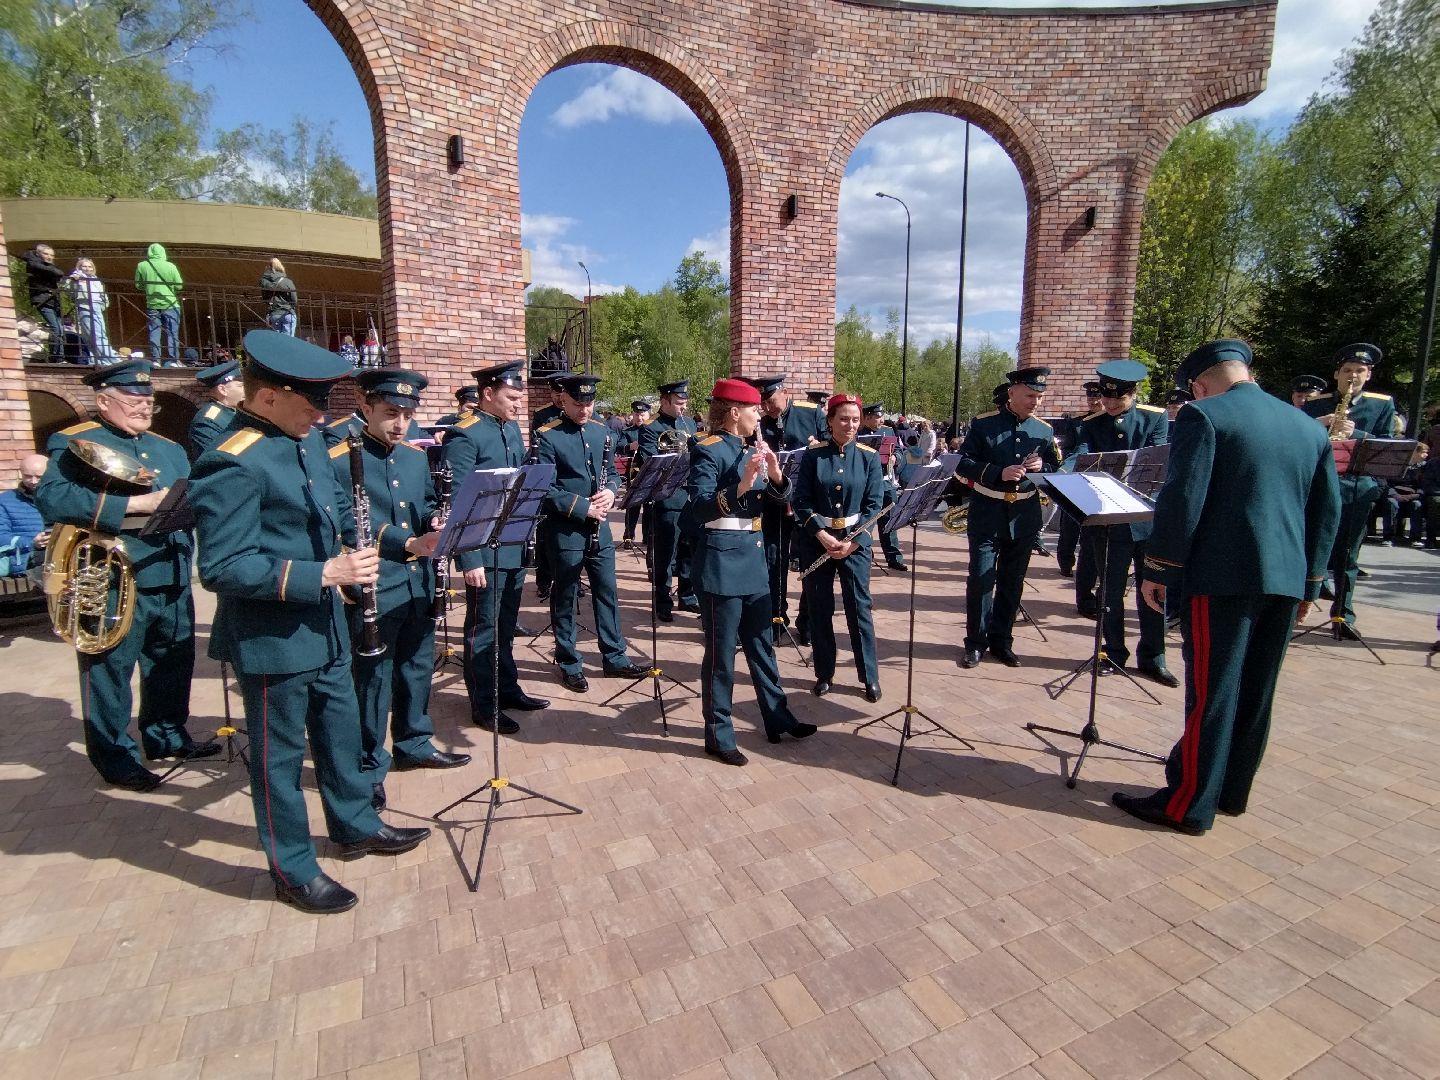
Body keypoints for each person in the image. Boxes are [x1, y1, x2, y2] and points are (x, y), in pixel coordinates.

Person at [190, 330, 430, 914]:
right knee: (277, 759)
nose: (323, 416)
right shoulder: (233, 461)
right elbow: (223, 566)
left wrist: (407, 545)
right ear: (268, 396)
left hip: (327, 628)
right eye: (312, 404)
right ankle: (292, 869)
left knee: (341, 732)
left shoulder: (311, 444)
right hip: (273, 638)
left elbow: (347, 526)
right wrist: (322, 575)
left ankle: (353, 824)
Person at [1116, 338, 1341, 835]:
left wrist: (1158, 567)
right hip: (1286, 576)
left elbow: (1184, 498)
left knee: (1213, 693)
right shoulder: (1307, 426)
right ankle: (1230, 790)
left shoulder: (1205, 416)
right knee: (1257, 691)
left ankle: (1188, 804)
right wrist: (1312, 581)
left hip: (1222, 577)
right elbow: (1327, 511)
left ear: (1199, 384)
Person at [36, 359, 216, 790]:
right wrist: (131, 506)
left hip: (169, 570)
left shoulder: (169, 449)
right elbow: (53, 498)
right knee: (109, 670)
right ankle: (115, 757)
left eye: (148, 401)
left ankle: (167, 736)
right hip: (114, 576)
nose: (144, 407)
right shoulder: (74, 441)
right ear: (104, 401)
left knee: (172, 661)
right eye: (134, 400)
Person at [328, 368, 470, 812]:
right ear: (365, 406)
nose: (401, 423)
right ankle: (370, 764)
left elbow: (425, 503)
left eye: (408, 414)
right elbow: (346, 520)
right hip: (375, 585)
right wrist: (405, 542)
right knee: (373, 680)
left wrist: (436, 520)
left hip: (419, 581)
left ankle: (414, 742)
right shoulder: (338, 457)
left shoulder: (412, 456)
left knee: (416, 667)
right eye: (391, 412)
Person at [686, 378, 816, 765]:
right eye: (754, 409)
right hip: (721, 564)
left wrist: (775, 475)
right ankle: (718, 733)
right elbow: (699, 508)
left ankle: (777, 718)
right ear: (733, 413)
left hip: (754, 560)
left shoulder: (751, 448)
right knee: (722, 656)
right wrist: (742, 484)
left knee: (762, 648)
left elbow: (779, 501)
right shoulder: (705, 450)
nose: (760, 414)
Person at [442, 362, 551, 734]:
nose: (519, 404)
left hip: (511, 546)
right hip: (482, 551)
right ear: (488, 394)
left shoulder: (511, 431)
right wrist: (467, 558)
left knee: (505, 627)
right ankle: (484, 704)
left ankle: (507, 689)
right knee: (483, 629)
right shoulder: (465, 435)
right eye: (512, 397)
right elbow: (455, 502)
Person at [534, 374, 648, 692]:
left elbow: (611, 472)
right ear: (563, 401)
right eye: (578, 403)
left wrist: (611, 491)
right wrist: (582, 507)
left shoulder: (602, 432)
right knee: (566, 596)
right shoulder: (548, 436)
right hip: (566, 530)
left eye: (589, 403)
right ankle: (569, 661)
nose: (585, 409)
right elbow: (545, 487)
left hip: (600, 530)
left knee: (607, 592)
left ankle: (614, 657)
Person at [1069, 359, 1176, 686]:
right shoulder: (1090, 423)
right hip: (1110, 519)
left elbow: (1159, 457)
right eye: (1107, 397)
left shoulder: (1154, 418)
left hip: (1146, 521)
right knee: (1110, 592)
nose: (1112, 403)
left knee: (1154, 591)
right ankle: (1113, 651)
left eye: (1119, 398)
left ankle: (1153, 656)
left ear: (1133, 392)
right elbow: (1081, 455)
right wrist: (1063, 472)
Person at [956, 367, 1063, 669]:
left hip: (1024, 514)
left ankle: (1002, 642)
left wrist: (1043, 468)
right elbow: (963, 463)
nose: (1035, 402)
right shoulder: (984, 423)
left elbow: (1057, 471)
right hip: (988, 511)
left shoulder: (1044, 430)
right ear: (1012, 392)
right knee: (981, 579)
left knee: (1012, 582)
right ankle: (975, 643)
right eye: (1030, 395)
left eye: (1040, 396)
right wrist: (997, 473)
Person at [1302, 344, 1399, 636]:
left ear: (1368, 375)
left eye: (1359, 371)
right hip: (1318, 486)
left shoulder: (1381, 405)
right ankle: (1295, 604)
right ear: (1336, 374)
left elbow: (1387, 445)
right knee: (1310, 546)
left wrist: (1354, 433)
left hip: (1357, 487)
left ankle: (1343, 615)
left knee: (1348, 553)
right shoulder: (1317, 404)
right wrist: (1318, 425)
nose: (1352, 376)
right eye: (1347, 371)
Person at [793, 394, 884, 701]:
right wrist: (821, 535)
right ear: (830, 420)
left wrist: (855, 541)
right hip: (818, 542)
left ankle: (869, 675)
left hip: (854, 544)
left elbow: (874, 506)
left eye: (855, 419)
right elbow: (801, 501)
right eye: (843, 419)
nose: (850, 425)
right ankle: (824, 672)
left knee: (859, 608)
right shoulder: (813, 455)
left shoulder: (869, 457)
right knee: (819, 609)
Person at [752, 374, 824, 643]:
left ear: (784, 392)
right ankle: (775, 618)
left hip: (806, 501)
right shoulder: (761, 423)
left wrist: (819, 448)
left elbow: (829, 446)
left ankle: (806, 623)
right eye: (764, 403)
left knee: (810, 562)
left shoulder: (811, 412)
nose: (768, 408)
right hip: (774, 502)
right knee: (774, 560)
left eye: (771, 401)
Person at [637, 380, 699, 621]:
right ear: (664, 401)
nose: (683, 408)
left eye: (685, 403)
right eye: (678, 403)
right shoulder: (651, 427)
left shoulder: (690, 423)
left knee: (688, 551)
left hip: (690, 496)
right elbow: (650, 460)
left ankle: (687, 596)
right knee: (665, 554)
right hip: (668, 497)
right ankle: (662, 601)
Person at [528, 373, 568, 601]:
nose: (560, 397)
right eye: (556, 392)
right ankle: (543, 580)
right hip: (549, 481)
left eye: (563, 392)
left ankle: (570, 579)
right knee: (543, 537)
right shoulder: (543, 415)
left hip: (568, 482)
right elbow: (536, 446)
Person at [860, 402, 907, 571]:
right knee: (866, 520)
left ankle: (893, 557)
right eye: (877, 417)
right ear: (867, 418)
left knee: (889, 521)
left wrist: (896, 458)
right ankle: (863, 554)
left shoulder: (888, 431)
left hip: (886, 482)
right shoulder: (858, 434)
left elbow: (901, 451)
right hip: (866, 484)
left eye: (881, 417)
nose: (881, 420)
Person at [0, 454, 49, 577]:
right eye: (27, 476)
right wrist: (32, 542)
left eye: (39, 477)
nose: (33, 481)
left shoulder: (63, 499)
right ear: (20, 473)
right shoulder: (5, 501)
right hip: (25, 560)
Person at [134, 243, 184, 364]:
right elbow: (179, 285)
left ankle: (156, 359)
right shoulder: (170, 266)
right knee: (172, 333)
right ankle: (174, 360)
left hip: (152, 304)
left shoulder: (142, 266)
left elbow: (138, 285)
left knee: (154, 332)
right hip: (170, 303)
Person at [189, 360, 244, 459]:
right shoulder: (207, 421)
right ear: (222, 390)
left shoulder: (234, 412)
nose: (245, 391)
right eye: (240, 386)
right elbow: (218, 458)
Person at [64, 257, 115, 364]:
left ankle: (99, 360)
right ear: (80, 267)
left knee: (100, 334)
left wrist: (104, 304)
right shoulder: (76, 277)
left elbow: (102, 295)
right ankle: (110, 360)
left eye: (90, 266)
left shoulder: (95, 279)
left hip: (97, 307)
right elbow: (68, 289)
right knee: (93, 334)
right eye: (84, 266)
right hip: (85, 306)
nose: (87, 269)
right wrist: (75, 281)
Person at [22, 243, 67, 363]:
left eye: (52, 255)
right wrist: (54, 272)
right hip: (42, 299)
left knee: (60, 329)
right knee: (55, 328)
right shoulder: (33, 263)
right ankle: (56, 357)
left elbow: (58, 273)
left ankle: (59, 356)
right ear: (38, 254)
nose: (49, 257)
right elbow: (57, 272)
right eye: (46, 254)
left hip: (52, 300)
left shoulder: (45, 266)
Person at [620, 399, 652, 549]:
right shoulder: (628, 432)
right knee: (632, 505)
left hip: (651, 473)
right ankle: (628, 535)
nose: (640, 418)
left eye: (643, 414)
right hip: (633, 474)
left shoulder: (653, 430)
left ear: (648, 414)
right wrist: (629, 446)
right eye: (637, 414)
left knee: (649, 507)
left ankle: (647, 536)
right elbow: (618, 446)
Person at [260, 257, 299, 336]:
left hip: (274, 314)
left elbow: (265, 299)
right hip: (287, 312)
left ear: (268, 267)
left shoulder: (264, 282)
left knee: (277, 341)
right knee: (288, 341)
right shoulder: (287, 281)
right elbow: (294, 299)